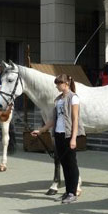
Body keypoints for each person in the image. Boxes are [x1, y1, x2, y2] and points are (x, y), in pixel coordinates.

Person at [31, 74, 84, 204]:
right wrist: (41, 130)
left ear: (66, 83)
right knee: (64, 164)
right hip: (58, 134)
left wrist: (73, 138)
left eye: (58, 84)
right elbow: (52, 120)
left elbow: (75, 119)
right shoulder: (58, 99)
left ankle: (73, 192)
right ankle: (67, 191)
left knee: (72, 164)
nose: (56, 86)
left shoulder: (73, 98)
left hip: (68, 134)